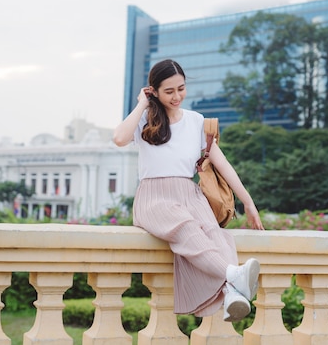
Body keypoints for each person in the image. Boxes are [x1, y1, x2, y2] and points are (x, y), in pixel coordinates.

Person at [113, 59, 264, 322]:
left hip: (189, 195)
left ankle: (231, 294)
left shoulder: (196, 122)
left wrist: (248, 203)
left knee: (214, 235)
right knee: (186, 228)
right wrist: (141, 104)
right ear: (154, 91)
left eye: (181, 89)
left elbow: (223, 165)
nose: (176, 96)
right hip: (155, 198)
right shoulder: (145, 120)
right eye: (169, 91)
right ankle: (233, 276)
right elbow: (119, 138)